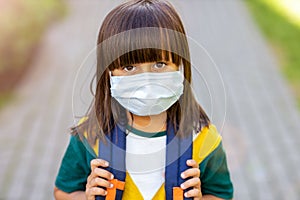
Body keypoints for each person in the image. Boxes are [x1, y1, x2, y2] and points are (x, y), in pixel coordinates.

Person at [54, 0, 233, 199]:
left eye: (160, 64)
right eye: (129, 68)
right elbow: (63, 192)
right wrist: (87, 196)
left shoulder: (202, 138)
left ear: (180, 65)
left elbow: (221, 194)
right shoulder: (90, 136)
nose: (146, 81)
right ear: (108, 73)